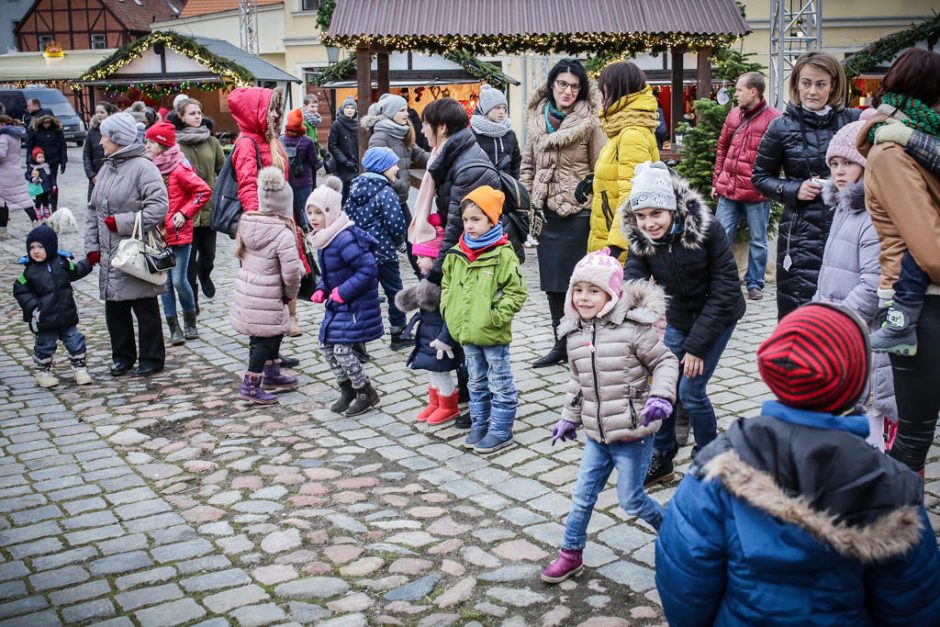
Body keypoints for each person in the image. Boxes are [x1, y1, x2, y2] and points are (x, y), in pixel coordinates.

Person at [655, 302, 940, 626]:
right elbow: (914, 607)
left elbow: (684, 585)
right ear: (855, 383)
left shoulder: (718, 466)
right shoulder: (893, 488)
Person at [541, 250, 678, 584]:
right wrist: (568, 418)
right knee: (582, 495)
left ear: (611, 293)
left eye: (593, 290)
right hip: (596, 435)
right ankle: (570, 554)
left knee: (631, 501)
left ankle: (676, 536)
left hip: (633, 432)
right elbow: (578, 382)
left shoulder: (633, 329)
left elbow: (665, 362)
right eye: (579, 289)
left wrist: (661, 395)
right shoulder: (574, 333)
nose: (584, 298)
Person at [621, 161, 745, 484]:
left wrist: (696, 348)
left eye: (656, 214)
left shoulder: (709, 229)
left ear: (673, 209)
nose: (649, 223)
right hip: (679, 317)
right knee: (663, 387)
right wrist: (629, 315)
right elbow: (634, 277)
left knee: (691, 391)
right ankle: (663, 456)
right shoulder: (642, 236)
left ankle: (710, 453)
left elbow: (726, 291)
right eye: (641, 216)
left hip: (718, 315)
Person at [857, 47, 940, 475]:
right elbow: (930, 250)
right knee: (914, 435)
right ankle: (893, 529)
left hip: (929, 298)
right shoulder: (892, 154)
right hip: (918, 303)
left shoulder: (921, 142)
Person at [752, 51, 860, 320]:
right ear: (796, 84)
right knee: (801, 311)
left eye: (820, 84)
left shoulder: (852, 121)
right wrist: (794, 190)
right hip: (800, 234)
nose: (812, 91)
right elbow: (760, 177)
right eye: (806, 83)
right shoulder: (781, 127)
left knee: (845, 311)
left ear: (833, 85)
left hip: (849, 226)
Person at [812, 116, 896, 450]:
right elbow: (830, 271)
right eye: (834, 163)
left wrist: (835, 320)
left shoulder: (872, 216)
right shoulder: (844, 208)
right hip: (843, 333)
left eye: (848, 162)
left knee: (869, 415)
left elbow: (873, 285)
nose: (839, 171)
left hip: (865, 336)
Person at [520, 59, 605, 368]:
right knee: (553, 285)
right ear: (552, 84)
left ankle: (585, 343)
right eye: (562, 84)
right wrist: (526, 198)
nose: (568, 91)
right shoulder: (535, 119)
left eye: (574, 86)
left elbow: (601, 167)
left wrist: (588, 191)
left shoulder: (590, 121)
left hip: (578, 213)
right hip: (547, 214)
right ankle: (561, 343)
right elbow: (527, 164)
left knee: (580, 285)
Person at [441, 186, 527, 453]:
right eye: (466, 220)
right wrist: (449, 310)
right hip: (466, 332)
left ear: (492, 220)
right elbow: (447, 285)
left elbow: (516, 292)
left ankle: (501, 429)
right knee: (475, 381)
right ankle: (480, 422)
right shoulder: (457, 253)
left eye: (476, 219)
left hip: (491, 332)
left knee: (499, 381)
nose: (469, 225)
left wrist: (495, 317)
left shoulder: (502, 254)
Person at [85, 111, 168, 377]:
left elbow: (159, 207)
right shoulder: (107, 167)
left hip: (134, 252)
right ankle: (122, 357)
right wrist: (92, 246)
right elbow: (93, 209)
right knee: (115, 309)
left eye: (105, 137)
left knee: (145, 307)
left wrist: (120, 222)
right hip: (110, 252)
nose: (100, 142)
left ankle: (152, 358)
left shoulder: (143, 168)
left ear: (118, 139)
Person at [229, 86, 305, 365]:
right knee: (263, 294)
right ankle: (261, 362)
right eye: (270, 108)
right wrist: (262, 227)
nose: (275, 114)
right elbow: (248, 188)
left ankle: (271, 355)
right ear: (255, 112)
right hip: (264, 230)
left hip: (280, 225)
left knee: (278, 291)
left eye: (277, 108)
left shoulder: (270, 140)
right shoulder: (247, 143)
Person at [307, 177, 384, 417]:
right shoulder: (325, 238)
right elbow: (332, 273)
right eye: (309, 212)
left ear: (330, 213)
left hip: (356, 305)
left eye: (317, 212)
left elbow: (368, 268)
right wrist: (322, 288)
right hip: (339, 304)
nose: (312, 218)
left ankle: (365, 392)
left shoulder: (344, 238)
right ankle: (347, 389)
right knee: (327, 347)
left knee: (342, 350)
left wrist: (343, 291)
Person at [232, 167, 302, 404]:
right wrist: (290, 295)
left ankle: (272, 374)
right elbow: (291, 273)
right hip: (270, 294)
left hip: (250, 292)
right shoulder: (283, 234)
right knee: (265, 340)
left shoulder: (247, 222)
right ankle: (250, 386)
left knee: (269, 334)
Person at [712, 72, 780, 301]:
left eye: (740, 89)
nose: (736, 93)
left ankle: (755, 283)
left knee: (758, 240)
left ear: (754, 91)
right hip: (729, 189)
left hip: (756, 193)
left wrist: (769, 185)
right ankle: (718, 281)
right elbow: (721, 149)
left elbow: (779, 157)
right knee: (720, 237)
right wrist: (716, 181)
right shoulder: (733, 115)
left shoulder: (774, 119)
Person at [145, 122, 212, 346]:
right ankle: (174, 328)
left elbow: (203, 191)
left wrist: (184, 213)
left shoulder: (179, 169)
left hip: (179, 233)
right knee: (164, 283)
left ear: (163, 145)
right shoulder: (149, 169)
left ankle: (190, 321)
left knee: (179, 280)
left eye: (151, 142)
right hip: (157, 234)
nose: (147, 146)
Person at [421, 97, 501, 284]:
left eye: (426, 124)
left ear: (442, 128)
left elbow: (458, 226)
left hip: (473, 262)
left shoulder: (467, 168)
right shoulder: (451, 155)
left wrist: (438, 271)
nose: (422, 130)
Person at [396, 213, 463, 426]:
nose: (417, 261)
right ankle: (435, 402)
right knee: (431, 369)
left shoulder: (444, 284)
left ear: (434, 259)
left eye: (421, 257)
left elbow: (451, 315)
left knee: (440, 370)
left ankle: (449, 404)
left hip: (440, 339)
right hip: (428, 332)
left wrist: (446, 338)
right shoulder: (427, 281)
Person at [589, 60, 660, 260]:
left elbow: (632, 194)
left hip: (620, 245)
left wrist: (616, 245)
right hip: (609, 231)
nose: (601, 94)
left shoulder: (631, 134)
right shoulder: (622, 129)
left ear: (615, 88)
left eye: (604, 87)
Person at [13, 224, 95, 388]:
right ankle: (43, 371)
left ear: (50, 247)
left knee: (75, 341)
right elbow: (19, 289)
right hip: (45, 319)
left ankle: (80, 369)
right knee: (45, 346)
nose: (36, 251)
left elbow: (76, 270)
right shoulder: (29, 272)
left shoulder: (62, 263)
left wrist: (90, 262)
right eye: (32, 247)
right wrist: (35, 309)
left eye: (40, 247)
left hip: (67, 316)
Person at [344, 146, 408, 350]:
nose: (396, 168)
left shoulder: (354, 187)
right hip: (384, 254)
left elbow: (346, 218)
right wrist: (400, 243)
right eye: (392, 165)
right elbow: (395, 223)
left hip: (359, 254)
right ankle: (398, 335)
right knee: (394, 292)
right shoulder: (385, 192)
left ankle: (357, 342)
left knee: (362, 296)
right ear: (382, 167)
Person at [364, 92, 430, 274]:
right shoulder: (380, 137)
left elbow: (419, 154)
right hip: (385, 202)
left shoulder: (403, 133)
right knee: (382, 246)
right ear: (391, 112)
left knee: (411, 240)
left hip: (399, 200)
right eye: (401, 110)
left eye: (406, 109)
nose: (406, 114)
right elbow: (374, 172)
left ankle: (422, 279)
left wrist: (438, 159)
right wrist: (398, 184)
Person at [173, 97, 224, 306]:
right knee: (188, 260)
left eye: (198, 113)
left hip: (208, 206)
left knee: (209, 254)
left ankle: (205, 274)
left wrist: (219, 188)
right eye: (191, 113)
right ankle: (191, 302)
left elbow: (222, 168)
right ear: (181, 117)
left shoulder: (211, 141)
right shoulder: (175, 144)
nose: (197, 117)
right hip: (185, 211)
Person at [470, 84, 521, 178]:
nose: (502, 112)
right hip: (481, 188)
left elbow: (517, 164)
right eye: (497, 107)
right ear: (486, 109)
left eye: (504, 108)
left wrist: (517, 185)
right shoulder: (472, 134)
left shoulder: (509, 134)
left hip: (507, 188)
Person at [281, 108, 318, 230]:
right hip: (305, 181)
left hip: (287, 181)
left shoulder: (281, 140)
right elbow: (313, 162)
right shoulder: (307, 141)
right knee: (306, 209)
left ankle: (292, 231)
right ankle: (307, 231)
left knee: (290, 209)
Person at [0, 115, 36, 238]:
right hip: (15, 171)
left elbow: (1, 154)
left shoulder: (3, 136)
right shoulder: (15, 136)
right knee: (22, 199)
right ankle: (36, 223)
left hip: (5, 174)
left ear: (3, 124)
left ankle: (2, 231)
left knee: (5, 202)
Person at [25, 113, 66, 212]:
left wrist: (63, 161)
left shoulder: (56, 130)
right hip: (38, 161)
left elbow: (63, 145)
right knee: (40, 183)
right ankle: (42, 205)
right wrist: (29, 162)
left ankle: (53, 206)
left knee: (53, 183)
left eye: (48, 122)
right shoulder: (35, 130)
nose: (46, 124)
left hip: (53, 160)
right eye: (44, 122)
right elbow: (29, 146)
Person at [329, 95, 360, 203]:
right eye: (347, 107)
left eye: (352, 108)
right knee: (342, 196)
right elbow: (332, 145)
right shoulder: (337, 124)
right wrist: (344, 160)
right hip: (342, 167)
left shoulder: (358, 124)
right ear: (343, 109)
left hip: (356, 165)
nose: (349, 110)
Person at [83, 101, 116, 200]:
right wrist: (92, 175)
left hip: (112, 176)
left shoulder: (114, 130)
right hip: (95, 176)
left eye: (102, 112)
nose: (99, 115)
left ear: (109, 114)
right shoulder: (92, 132)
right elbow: (86, 155)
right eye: (97, 112)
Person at [25, 147, 53, 222]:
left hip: (46, 187)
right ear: (35, 158)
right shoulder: (33, 167)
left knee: (46, 200)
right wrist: (32, 179)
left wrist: (53, 184)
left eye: (42, 157)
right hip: (38, 188)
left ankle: (46, 211)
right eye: (39, 157)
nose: (41, 158)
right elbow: (27, 175)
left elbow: (51, 176)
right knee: (38, 200)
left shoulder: (46, 166)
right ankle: (38, 211)